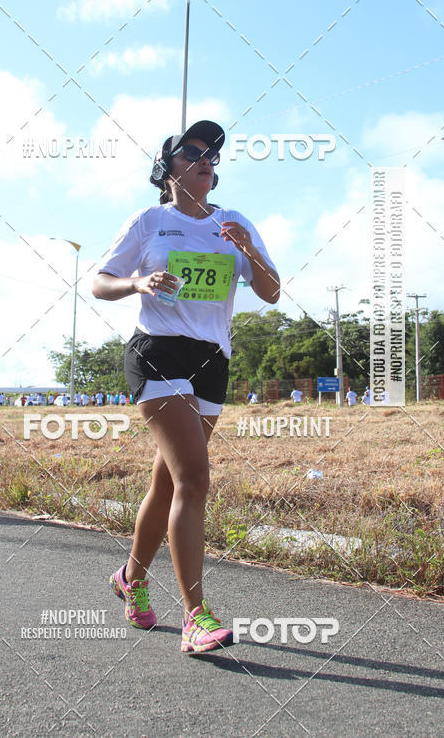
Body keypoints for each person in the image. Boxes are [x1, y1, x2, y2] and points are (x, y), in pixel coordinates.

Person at [93, 120, 280, 654]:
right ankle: (195, 616)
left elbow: (270, 292)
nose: (206, 158)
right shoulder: (149, 220)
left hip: (211, 360)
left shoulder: (234, 222)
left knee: (170, 484)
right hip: (157, 351)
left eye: (212, 154)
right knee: (194, 476)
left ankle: (130, 577)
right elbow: (100, 281)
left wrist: (252, 251)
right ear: (168, 168)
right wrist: (137, 281)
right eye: (192, 151)